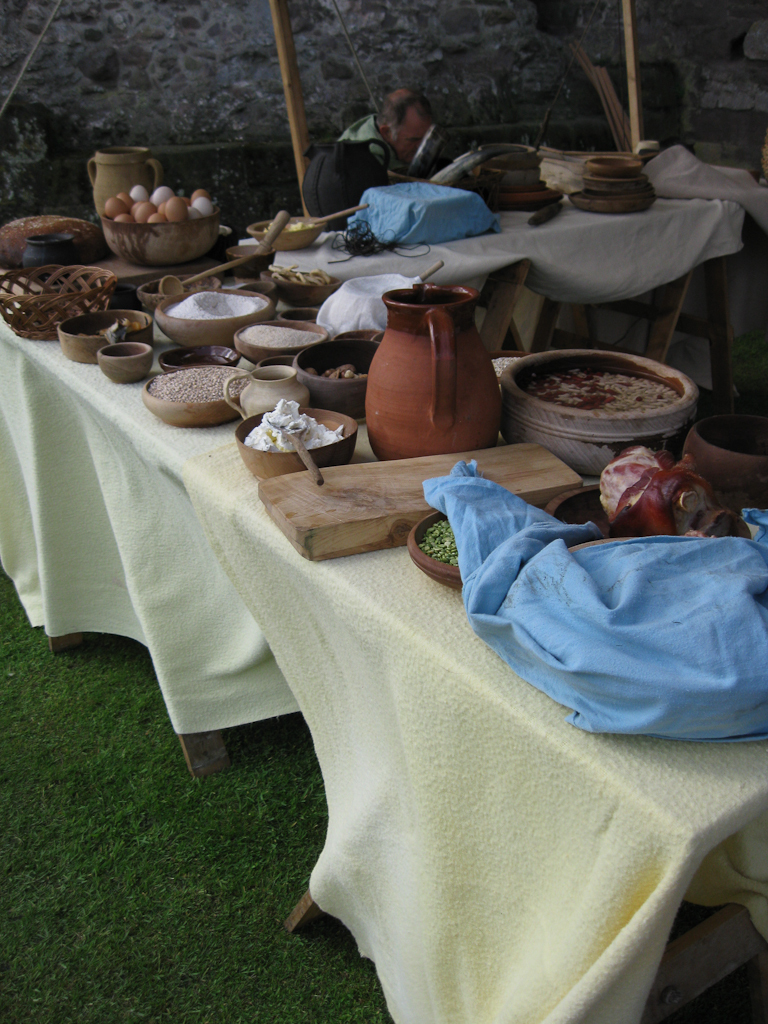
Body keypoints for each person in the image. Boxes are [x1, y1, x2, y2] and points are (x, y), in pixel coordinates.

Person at [338, 89, 433, 172]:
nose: (421, 146)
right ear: (387, 133)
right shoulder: (361, 161)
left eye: (425, 138)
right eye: (413, 140)